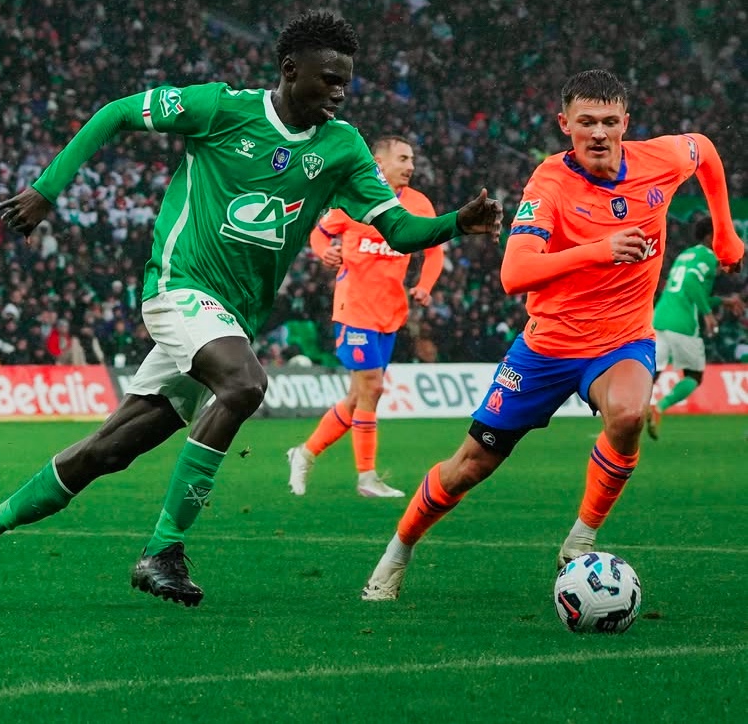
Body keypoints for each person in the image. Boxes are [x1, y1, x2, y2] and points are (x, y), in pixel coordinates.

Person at [0, 10, 502, 609]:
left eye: (345, 81)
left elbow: (400, 229)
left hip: (231, 318)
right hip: (179, 288)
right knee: (246, 383)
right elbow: (118, 112)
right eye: (328, 79)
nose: (340, 91)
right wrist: (48, 190)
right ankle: (163, 549)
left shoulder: (342, 146)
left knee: (107, 450)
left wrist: (454, 225)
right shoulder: (221, 109)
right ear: (289, 71)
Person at [361, 69, 744, 601]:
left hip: (623, 339)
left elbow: (704, 150)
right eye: (586, 121)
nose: (599, 133)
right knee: (470, 465)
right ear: (565, 124)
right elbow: (514, 274)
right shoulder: (549, 182)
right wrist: (600, 249)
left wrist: (724, 234)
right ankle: (398, 549)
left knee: (630, 414)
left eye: (610, 121)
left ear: (626, 123)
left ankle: (580, 540)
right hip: (548, 346)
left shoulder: (659, 159)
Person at [287, 135, 445, 499]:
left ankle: (305, 453)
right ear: (380, 162)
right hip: (353, 308)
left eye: (412, 159)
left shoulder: (419, 204)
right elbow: (319, 233)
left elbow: (433, 251)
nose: (411, 166)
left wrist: (424, 285)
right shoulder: (354, 198)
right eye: (403, 158)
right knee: (372, 388)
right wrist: (325, 252)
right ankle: (366, 477)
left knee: (357, 398)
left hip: (390, 313)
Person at [647, 216, 744, 439]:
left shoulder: (686, 255)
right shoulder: (708, 257)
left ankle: (630, 408)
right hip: (683, 324)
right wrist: (708, 315)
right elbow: (691, 283)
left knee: (653, 372)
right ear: (711, 236)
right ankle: (660, 407)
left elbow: (692, 292)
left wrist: (724, 301)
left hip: (660, 317)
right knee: (694, 375)